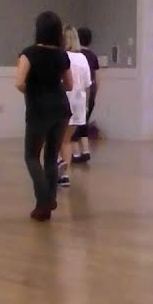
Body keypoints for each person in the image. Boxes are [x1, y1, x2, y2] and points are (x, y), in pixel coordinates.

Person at [16, 11, 72, 221]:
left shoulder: (28, 53)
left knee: (31, 156)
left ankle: (44, 201)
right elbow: (69, 85)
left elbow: (19, 82)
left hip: (39, 110)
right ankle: (48, 201)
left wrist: (34, 91)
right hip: (61, 109)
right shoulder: (62, 55)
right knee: (51, 157)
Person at [58, 26, 93, 188]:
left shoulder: (61, 57)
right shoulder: (82, 58)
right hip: (78, 103)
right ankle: (65, 174)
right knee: (66, 140)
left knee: (56, 139)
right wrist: (86, 105)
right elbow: (87, 84)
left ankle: (57, 167)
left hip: (63, 101)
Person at [70, 27, 99, 164]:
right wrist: (94, 94)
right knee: (83, 123)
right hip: (89, 93)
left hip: (75, 94)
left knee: (73, 126)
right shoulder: (92, 56)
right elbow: (97, 78)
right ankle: (86, 151)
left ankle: (75, 154)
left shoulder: (75, 55)